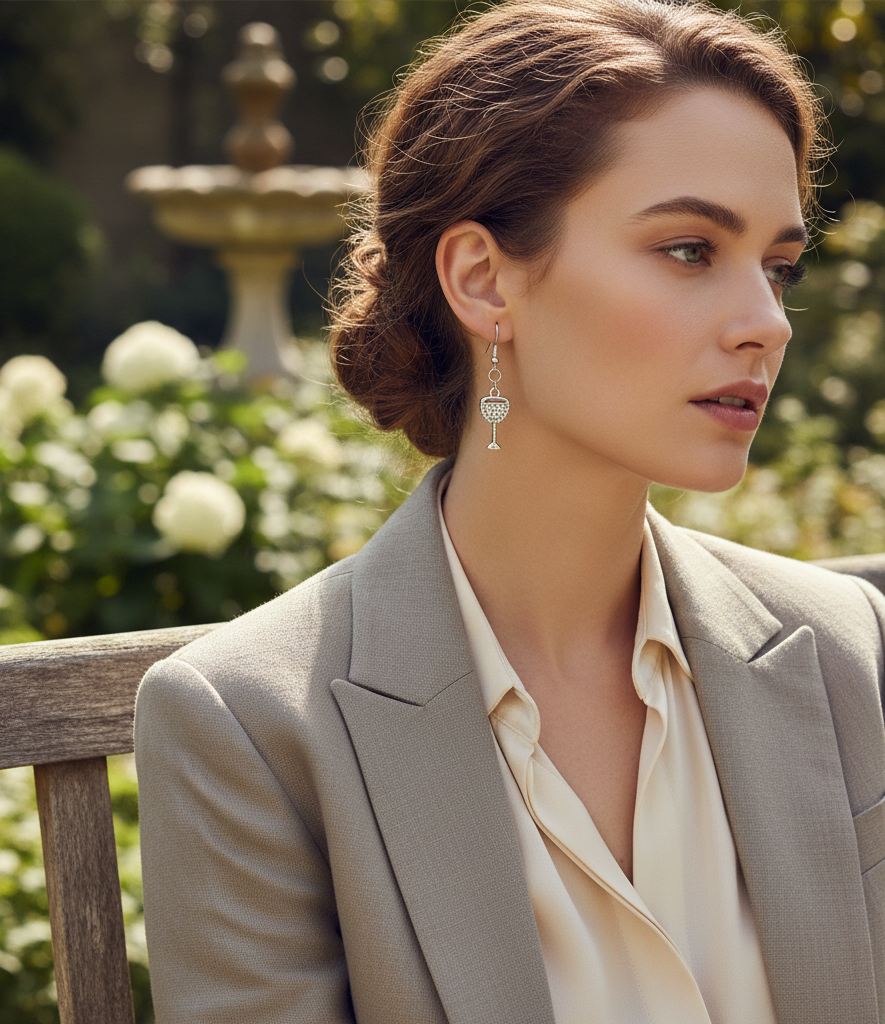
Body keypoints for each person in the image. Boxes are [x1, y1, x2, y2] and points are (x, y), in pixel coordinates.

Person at [134, 2, 885, 1022]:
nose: (765, 323)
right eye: (687, 250)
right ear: (484, 281)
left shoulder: (843, 650)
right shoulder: (253, 725)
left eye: (777, 266)